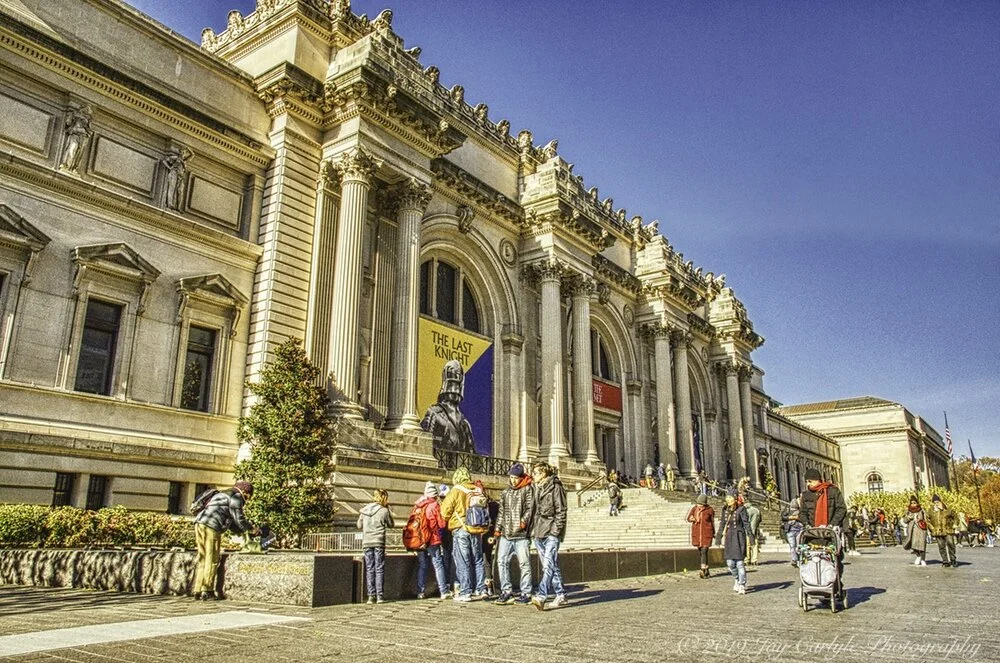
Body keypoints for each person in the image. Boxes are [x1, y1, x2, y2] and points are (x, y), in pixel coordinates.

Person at [193, 480, 253, 600]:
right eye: (249, 497)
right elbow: (239, 519)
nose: (248, 500)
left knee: (203, 558)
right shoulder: (236, 497)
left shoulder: (222, 494)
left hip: (200, 523)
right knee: (212, 558)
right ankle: (208, 590)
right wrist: (251, 529)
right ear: (246, 492)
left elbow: (232, 523)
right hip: (212, 526)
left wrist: (243, 530)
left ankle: (197, 589)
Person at [798, 468, 847, 597]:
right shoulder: (806, 495)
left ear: (817, 480)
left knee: (834, 560)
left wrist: (832, 524)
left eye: (810, 481)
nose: (808, 484)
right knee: (812, 560)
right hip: (812, 535)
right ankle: (814, 584)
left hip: (830, 534)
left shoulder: (833, 491)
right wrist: (807, 525)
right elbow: (802, 513)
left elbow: (841, 509)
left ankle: (835, 585)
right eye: (807, 482)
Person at [440, 467, 486, 601]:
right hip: (476, 528)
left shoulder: (456, 490)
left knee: (463, 560)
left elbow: (444, 512)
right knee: (478, 559)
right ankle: (481, 589)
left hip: (461, 529)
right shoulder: (477, 489)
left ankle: (465, 592)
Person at [493, 462, 535, 605]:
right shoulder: (506, 492)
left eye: (515, 478)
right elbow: (501, 512)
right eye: (511, 477)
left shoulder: (528, 490)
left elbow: (530, 508)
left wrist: (523, 522)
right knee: (501, 561)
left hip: (521, 535)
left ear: (521, 477)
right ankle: (506, 591)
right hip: (506, 534)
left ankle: (526, 592)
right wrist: (498, 529)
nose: (513, 480)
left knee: (524, 563)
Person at [530, 461, 567, 610]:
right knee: (552, 565)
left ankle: (542, 595)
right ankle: (561, 595)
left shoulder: (556, 488)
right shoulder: (536, 488)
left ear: (544, 473)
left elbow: (561, 511)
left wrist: (555, 532)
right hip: (539, 531)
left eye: (536, 473)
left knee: (548, 564)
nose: (533, 475)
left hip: (551, 531)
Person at [420, 360, 475, 453]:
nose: (454, 391)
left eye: (457, 385)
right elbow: (424, 444)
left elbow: (471, 452)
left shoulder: (465, 423)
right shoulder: (433, 413)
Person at [413, 482, 450, 600]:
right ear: (435, 495)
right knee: (438, 564)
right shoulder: (435, 505)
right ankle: (443, 591)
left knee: (422, 565)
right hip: (433, 539)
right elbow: (442, 524)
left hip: (420, 540)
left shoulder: (418, 504)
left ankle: (420, 592)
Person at [358, 488, 394, 604]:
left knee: (369, 568)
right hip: (378, 541)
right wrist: (388, 510)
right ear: (384, 498)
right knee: (379, 568)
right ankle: (380, 596)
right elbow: (391, 524)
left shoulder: (364, 510)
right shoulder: (384, 510)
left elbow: (359, 525)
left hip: (367, 542)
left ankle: (371, 596)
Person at [716, 492, 750, 594]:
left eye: (730, 498)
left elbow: (746, 523)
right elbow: (722, 523)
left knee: (740, 563)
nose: (728, 500)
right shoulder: (725, 510)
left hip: (739, 537)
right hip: (729, 537)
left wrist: (751, 537)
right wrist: (718, 537)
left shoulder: (741, 509)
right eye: (727, 498)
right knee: (730, 563)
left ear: (735, 499)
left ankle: (742, 584)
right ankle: (736, 578)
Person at [687, 494, 715, 578]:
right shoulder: (694, 509)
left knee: (704, 550)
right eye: (698, 503)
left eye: (701, 504)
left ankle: (702, 569)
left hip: (706, 533)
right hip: (697, 533)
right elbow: (688, 518)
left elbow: (712, 522)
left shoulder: (709, 510)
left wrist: (713, 532)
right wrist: (691, 518)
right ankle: (707, 569)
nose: (699, 505)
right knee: (701, 551)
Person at [925, 494, 958, 567]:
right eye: (934, 502)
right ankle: (945, 561)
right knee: (941, 546)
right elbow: (927, 520)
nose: (936, 504)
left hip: (948, 529)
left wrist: (955, 524)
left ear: (940, 501)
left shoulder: (947, 508)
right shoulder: (931, 510)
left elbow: (955, 516)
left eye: (937, 502)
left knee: (951, 544)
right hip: (938, 531)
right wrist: (932, 528)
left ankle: (953, 559)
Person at [902, 495, 928, 566]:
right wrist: (909, 517)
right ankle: (918, 556)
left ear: (917, 503)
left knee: (922, 545)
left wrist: (921, 520)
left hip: (921, 530)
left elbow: (926, 520)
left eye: (914, 503)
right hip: (912, 530)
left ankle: (923, 559)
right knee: (913, 544)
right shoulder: (908, 511)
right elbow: (904, 520)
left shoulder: (921, 510)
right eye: (912, 503)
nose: (913, 504)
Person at [781, 497, 804, 567]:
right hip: (790, 530)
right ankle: (794, 559)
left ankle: (800, 559)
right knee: (792, 545)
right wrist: (790, 517)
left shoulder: (801, 511)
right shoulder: (787, 510)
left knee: (798, 545)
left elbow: (804, 518)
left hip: (799, 529)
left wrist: (797, 518)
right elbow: (783, 517)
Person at [744, 497, 761, 568]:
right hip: (755, 529)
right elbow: (760, 520)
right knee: (755, 545)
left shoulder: (747, 511)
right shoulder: (757, 510)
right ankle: (754, 559)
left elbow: (745, 521)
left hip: (748, 530)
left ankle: (747, 559)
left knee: (747, 545)